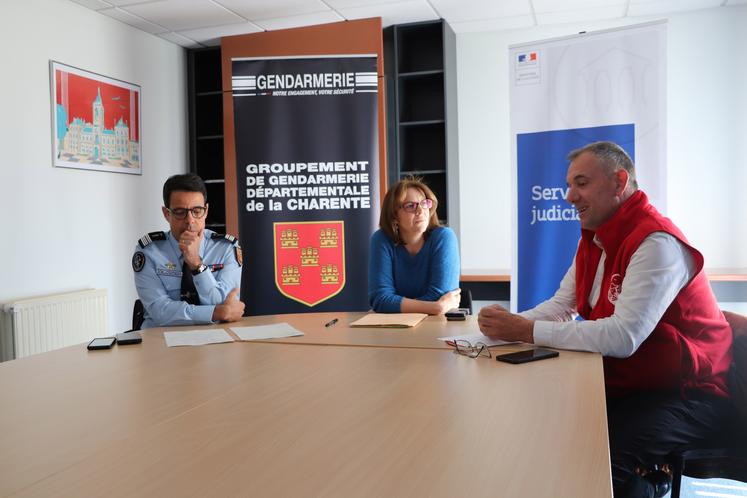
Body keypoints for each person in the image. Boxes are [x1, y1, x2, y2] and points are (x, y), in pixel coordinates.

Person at [477, 141, 733, 498]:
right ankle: (646, 485)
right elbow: (561, 306)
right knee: (543, 428)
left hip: (687, 394)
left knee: (598, 461)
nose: (569, 196)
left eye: (581, 183)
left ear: (619, 182)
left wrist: (527, 329)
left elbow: (623, 337)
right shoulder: (596, 237)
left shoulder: (656, 242)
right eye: (569, 185)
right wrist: (507, 322)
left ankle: (645, 487)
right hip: (636, 382)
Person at [132, 173, 245, 328]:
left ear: (206, 211)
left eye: (197, 211)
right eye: (180, 212)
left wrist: (196, 264)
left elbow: (226, 303)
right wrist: (216, 313)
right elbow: (159, 312)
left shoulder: (226, 248)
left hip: (216, 339)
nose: (190, 220)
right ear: (167, 214)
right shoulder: (149, 251)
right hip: (161, 338)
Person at [368, 177, 461, 314]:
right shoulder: (381, 239)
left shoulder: (444, 237)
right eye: (411, 206)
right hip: (394, 329)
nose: (421, 211)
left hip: (437, 326)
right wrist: (436, 308)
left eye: (424, 203)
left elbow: (439, 296)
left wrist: (395, 304)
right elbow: (380, 299)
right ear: (394, 216)